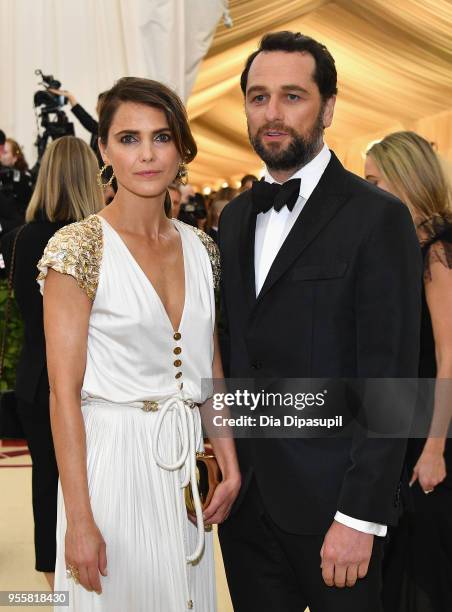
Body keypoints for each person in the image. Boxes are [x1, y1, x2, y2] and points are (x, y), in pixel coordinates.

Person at [217, 31, 422, 612]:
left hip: (337, 510)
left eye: (292, 96)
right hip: (246, 508)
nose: (272, 114)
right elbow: (238, 355)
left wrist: (360, 515)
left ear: (328, 107)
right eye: (258, 98)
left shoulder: (378, 218)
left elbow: (392, 381)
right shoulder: (234, 221)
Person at [37, 76, 240, 611]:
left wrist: (229, 457)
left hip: (182, 468)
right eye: (129, 138)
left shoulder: (202, 248)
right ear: (103, 148)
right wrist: (79, 517)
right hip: (109, 466)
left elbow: (210, 367)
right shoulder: (79, 248)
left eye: (161, 137)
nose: (146, 154)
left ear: (181, 148)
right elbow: (63, 394)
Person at [0, 136, 104, 589]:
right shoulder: (92, 240)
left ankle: (51, 587)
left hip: (33, 379)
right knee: (91, 484)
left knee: (47, 484)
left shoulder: (20, 238)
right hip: (84, 380)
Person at [365, 131, 452, 612]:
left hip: (431, 440)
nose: (369, 192)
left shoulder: (439, 254)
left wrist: (435, 448)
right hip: (406, 433)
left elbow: (449, 357)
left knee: (425, 574)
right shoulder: (406, 249)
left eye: (375, 181)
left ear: (405, 181)